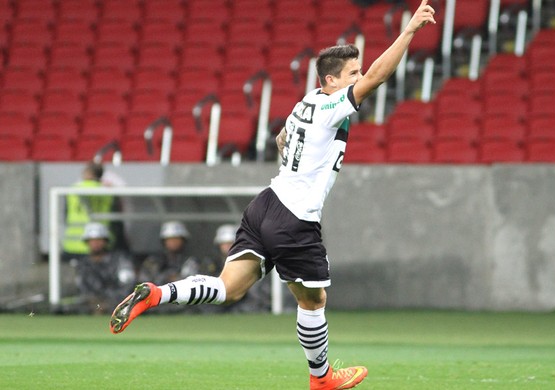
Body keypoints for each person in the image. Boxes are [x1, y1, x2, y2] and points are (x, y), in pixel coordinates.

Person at [110, 3, 435, 389]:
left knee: (228, 288)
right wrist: (410, 30)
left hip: (265, 205)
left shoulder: (305, 103)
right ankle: (321, 379)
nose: (359, 77)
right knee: (312, 302)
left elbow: (282, 137)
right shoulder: (332, 104)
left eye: (358, 71)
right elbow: (380, 76)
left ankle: (157, 295)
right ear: (331, 81)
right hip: (295, 217)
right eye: (352, 73)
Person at [62, 161, 128, 262]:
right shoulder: (108, 190)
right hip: (100, 242)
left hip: (74, 242)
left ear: (86, 173)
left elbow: (65, 214)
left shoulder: (74, 189)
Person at [203, 224, 271, 313]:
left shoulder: (251, 261)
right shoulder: (211, 263)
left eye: (231, 242)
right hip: (217, 305)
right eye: (224, 243)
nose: (227, 246)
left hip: (244, 303)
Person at [72, 222, 135, 314]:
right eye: (92, 240)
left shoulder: (119, 260)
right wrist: (95, 303)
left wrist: (109, 303)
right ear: (87, 242)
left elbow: (128, 286)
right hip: (90, 307)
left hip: (118, 306)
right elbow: (81, 289)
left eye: (99, 240)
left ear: (106, 241)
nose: (95, 243)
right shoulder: (82, 264)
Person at [139, 221, 201, 286]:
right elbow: (144, 282)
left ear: (183, 240)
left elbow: (195, 283)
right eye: (170, 239)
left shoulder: (190, 261)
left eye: (176, 239)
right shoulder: (154, 261)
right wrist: (165, 277)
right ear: (164, 241)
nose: (173, 242)